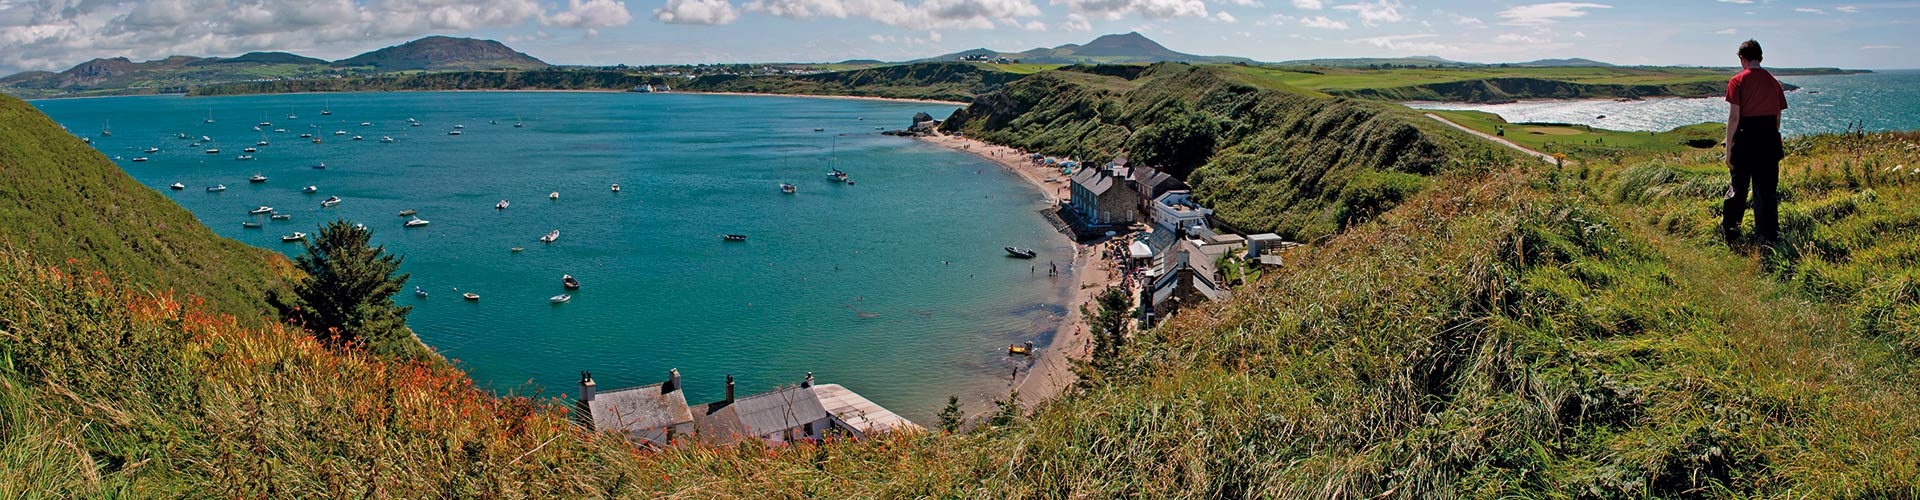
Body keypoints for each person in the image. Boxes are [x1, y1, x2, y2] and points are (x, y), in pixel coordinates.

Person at [1723, 39, 1788, 247]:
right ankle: (1767, 239)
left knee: (1738, 189)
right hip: (1769, 140)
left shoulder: (1737, 81)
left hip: (1745, 139)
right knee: (1766, 193)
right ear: (1760, 57)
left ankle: (1731, 234)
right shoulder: (1774, 82)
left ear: (1742, 58)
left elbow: (1734, 117)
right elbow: (1777, 119)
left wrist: (1728, 150)